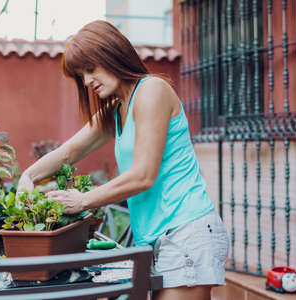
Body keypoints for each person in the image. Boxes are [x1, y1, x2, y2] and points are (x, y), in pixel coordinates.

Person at [16, 20, 229, 300]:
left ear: (112, 53)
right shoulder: (116, 111)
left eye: (90, 69)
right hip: (159, 239)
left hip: (184, 231)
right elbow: (69, 152)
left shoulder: (151, 90)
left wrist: (82, 200)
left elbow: (143, 175)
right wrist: (27, 176)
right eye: (81, 76)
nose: (88, 82)